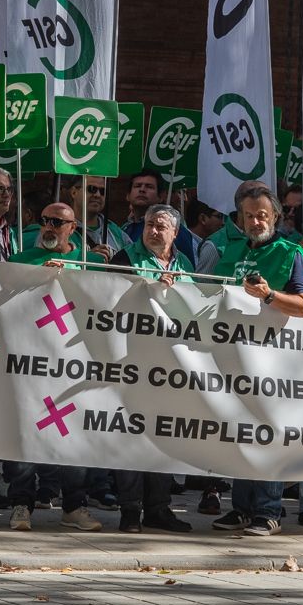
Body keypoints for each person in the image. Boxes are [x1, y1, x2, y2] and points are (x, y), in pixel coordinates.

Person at [211, 183, 303, 537]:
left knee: (268, 432)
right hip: (233, 358)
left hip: (274, 361)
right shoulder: (231, 249)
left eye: (262, 216)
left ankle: (268, 511)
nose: (256, 222)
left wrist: (269, 294)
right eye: (249, 216)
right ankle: (241, 508)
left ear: (276, 217)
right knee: (239, 431)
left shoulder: (290, 253)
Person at [5, 203, 104, 532]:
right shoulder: (18, 262)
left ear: (72, 228)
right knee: (22, 437)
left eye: (58, 222)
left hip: (72, 368)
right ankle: (21, 504)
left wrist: (72, 277)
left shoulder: (90, 264)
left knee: (73, 438)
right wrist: (35, 280)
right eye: (45, 220)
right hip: (27, 364)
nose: (49, 227)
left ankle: (74, 506)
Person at [106, 203, 194, 534]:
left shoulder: (185, 263)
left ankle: (159, 508)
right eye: (148, 225)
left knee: (165, 438)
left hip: (171, 367)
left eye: (160, 226)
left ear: (175, 233)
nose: (152, 231)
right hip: (133, 362)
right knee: (132, 438)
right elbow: (108, 304)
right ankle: (130, 510)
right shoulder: (126, 259)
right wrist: (152, 290)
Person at [123, 171, 197, 260]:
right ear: (128, 195)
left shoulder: (173, 229)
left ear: (161, 197)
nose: (142, 190)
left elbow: (186, 267)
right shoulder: (120, 230)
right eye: (137, 186)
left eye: (149, 187)